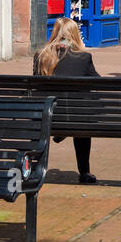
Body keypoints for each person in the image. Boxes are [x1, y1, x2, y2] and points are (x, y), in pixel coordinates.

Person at [34, 18, 101, 184]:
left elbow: (36, 87)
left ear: (55, 33)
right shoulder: (84, 57)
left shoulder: (41, 56)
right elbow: (98, 83)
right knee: (82, 118)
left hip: (47, 116)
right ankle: (84, 172)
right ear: (75, 34)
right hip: (75, 118)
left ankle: (35, 169)